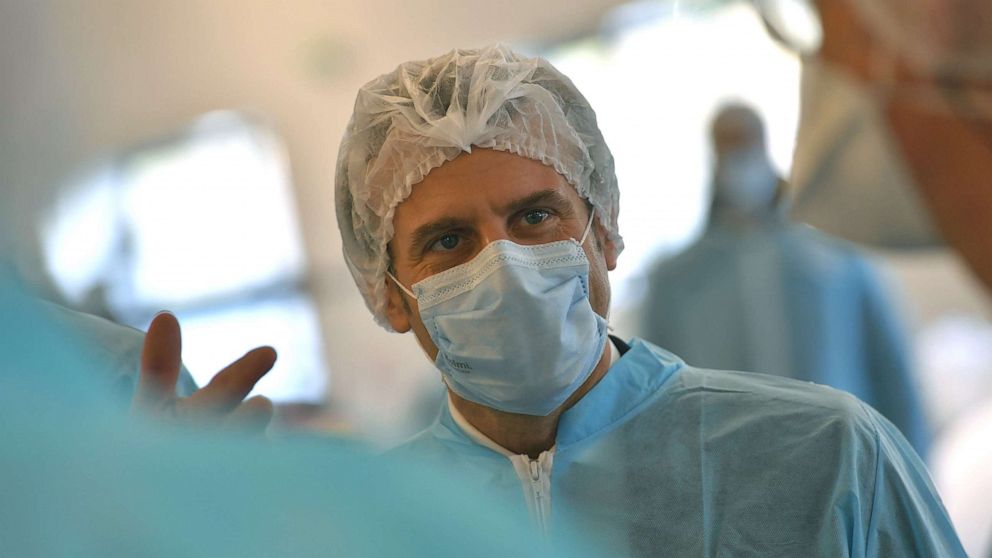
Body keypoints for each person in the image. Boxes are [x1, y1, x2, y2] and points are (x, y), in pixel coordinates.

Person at [333, 44, 965, 555]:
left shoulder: (829, 459)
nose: (503, 265)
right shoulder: (353, 524)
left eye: (535, 217)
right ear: (388, 295)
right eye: (448, 240)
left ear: (603, 233)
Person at [768, 1, 992, 555]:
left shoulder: (838, 267)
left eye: (829, 31)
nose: (833, 73)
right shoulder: (687, 280)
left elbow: (894, 382)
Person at [640, 102, 929, 456]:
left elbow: (892, 373)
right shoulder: (678, 282)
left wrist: (913, 468)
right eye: (728, 148)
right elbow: (658, 403)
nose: (740, 162)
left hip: (845, 459)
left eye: (746, 144)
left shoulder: (834, 261)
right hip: (733, 475)